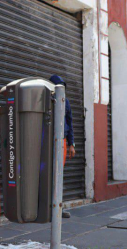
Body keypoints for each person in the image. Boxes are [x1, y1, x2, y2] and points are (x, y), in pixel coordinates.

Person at [49, 74, 76, 218]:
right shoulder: (47, 100)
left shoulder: (66, 102)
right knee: (48, 172)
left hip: (62, 141)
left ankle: (58, 206)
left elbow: (69, 122)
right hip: (48, 140)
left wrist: (71, 144)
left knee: (59, 173)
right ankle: (48, 207)